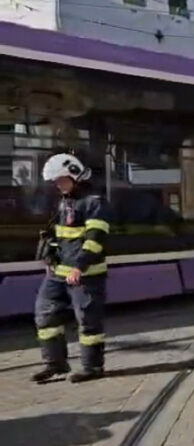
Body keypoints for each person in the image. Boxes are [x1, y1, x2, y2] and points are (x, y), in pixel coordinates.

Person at [32, 153, 111, 383]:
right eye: (55, 183)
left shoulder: (94, 202)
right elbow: (61, 235)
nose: (58, 186)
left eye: (61, 181)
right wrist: (51, 257)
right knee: (45, 313)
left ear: (75, 175)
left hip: (86, 274)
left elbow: (95, 239)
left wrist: (79, 267)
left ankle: (93, 368)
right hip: (59, 273)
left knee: (88, 320)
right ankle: (55, 364)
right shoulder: (65, 201)